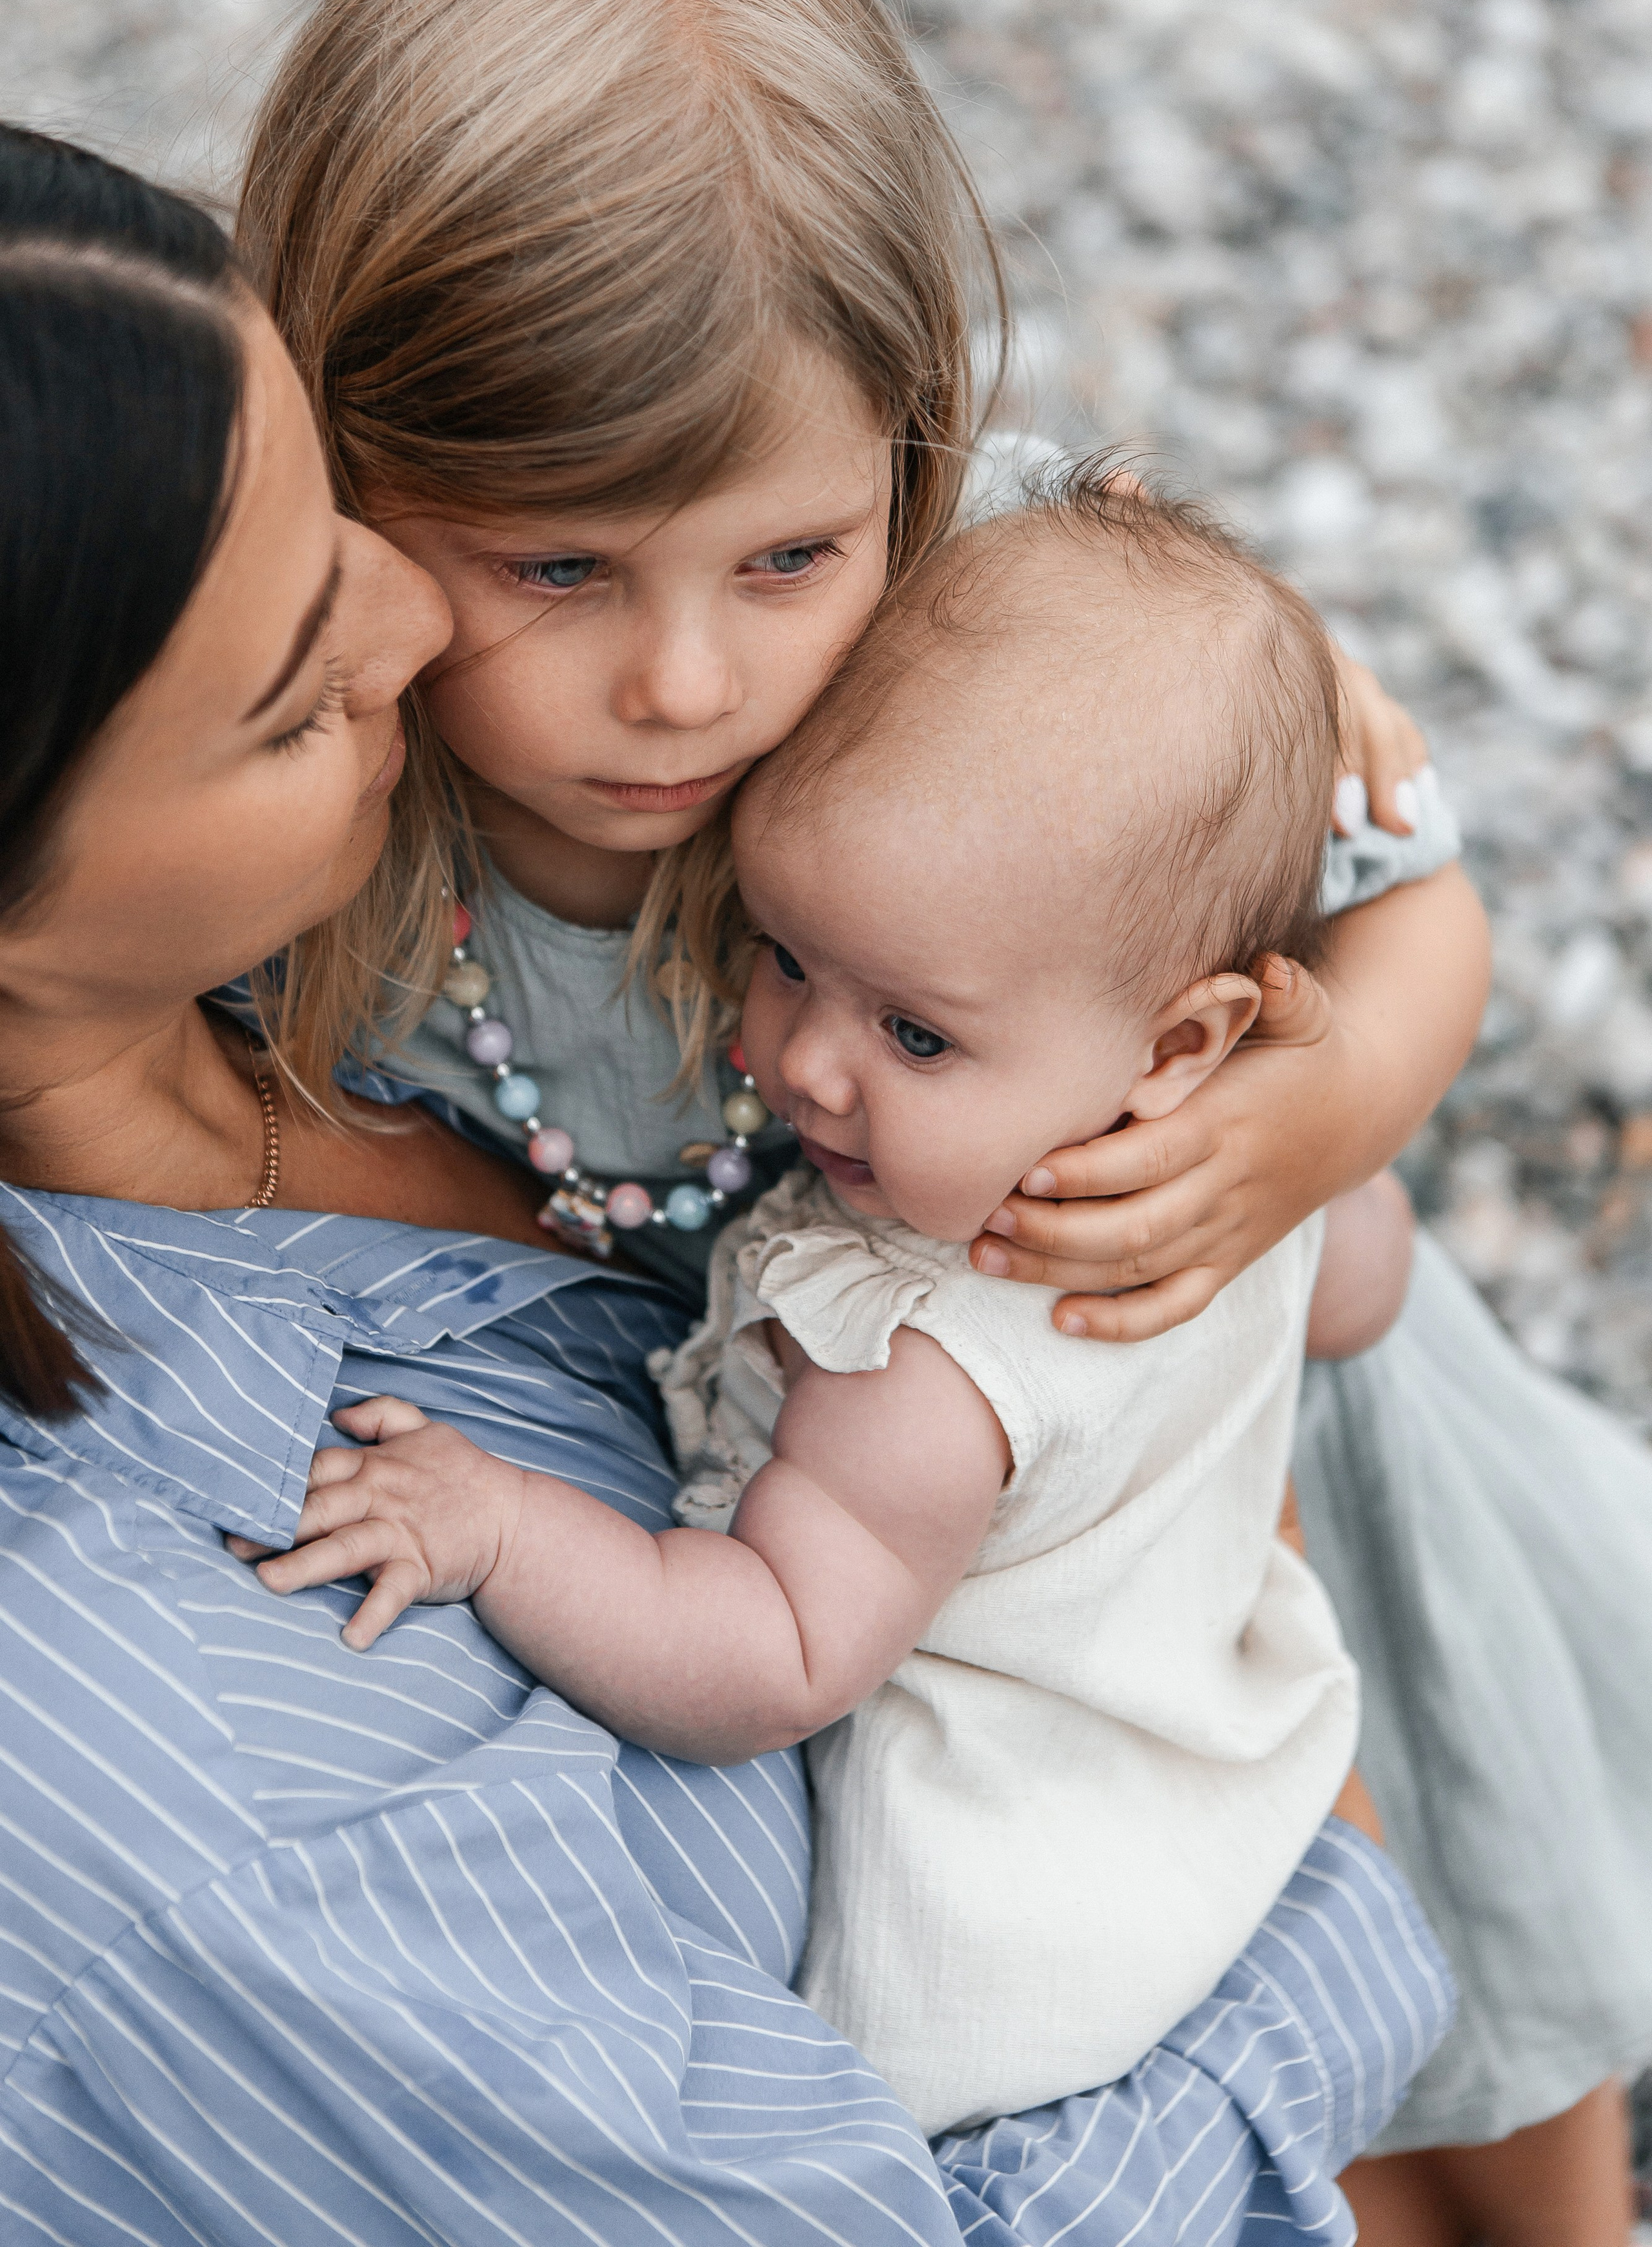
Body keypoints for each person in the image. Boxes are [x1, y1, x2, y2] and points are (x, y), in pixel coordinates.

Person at [234, 0, 1649, 2239]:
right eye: (558, 567)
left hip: (1218, 1414)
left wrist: (1319, 1114)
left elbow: (1414, 907)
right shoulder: (310, 790)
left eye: (786, 558)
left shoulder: (1002, 622)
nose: (686, 682)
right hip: (875, 1535)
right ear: (354, 486)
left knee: (1462, 1884)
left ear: (906, 449)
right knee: (1196, 1980)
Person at [0, 126, 1448, 2247]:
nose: (420, 607)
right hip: (1150, 1966)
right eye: (298, 683)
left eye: (339, 509)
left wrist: (1225, 700)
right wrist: (1341, 1898)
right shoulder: (212, 1829)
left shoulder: (438, 891)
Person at [252, 467, 1402, 2144]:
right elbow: (1364, 1291)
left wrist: (496, 1526)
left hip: (983, 1948)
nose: (807, 1063)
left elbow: (769, 1653)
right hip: (1215, 1765)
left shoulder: (912, 1361)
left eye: (916, 1036)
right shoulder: (1254, 1175)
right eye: (787, 956)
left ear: (1177, 1045)